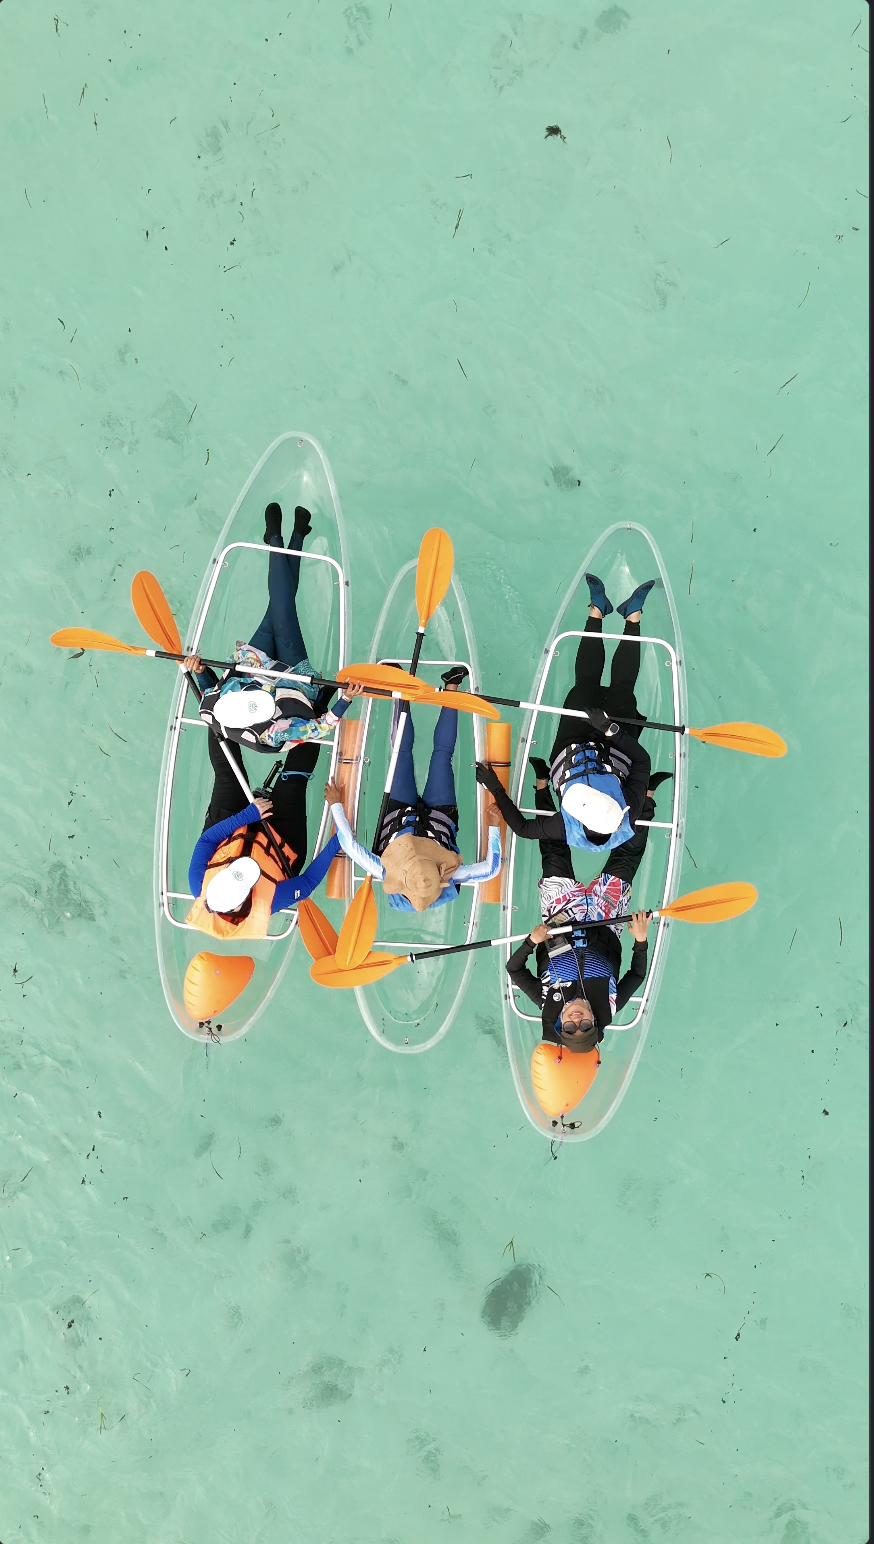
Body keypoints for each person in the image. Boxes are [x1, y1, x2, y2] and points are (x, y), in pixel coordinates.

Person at [181, 501, 361, 937]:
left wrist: (245, 815)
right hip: (281, 838)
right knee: (297, 774)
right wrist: (341, 827)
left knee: (222, 752)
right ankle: (284, 541)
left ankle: (286, 541)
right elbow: (312, 879)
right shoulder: (274, 899)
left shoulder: (197, 883)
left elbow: (208, 843)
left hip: (232, 820)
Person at [476, 571, 669, 854]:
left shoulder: (566, 826)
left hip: (571, 746)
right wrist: (610, 731)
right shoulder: (629, 807)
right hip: (615, 747)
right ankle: (633, 616)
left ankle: (597, 612)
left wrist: (495, 786)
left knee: (586, 685)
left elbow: (524, 829)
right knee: (622, 688)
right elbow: (642, 760)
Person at [504, 770, 664, 1049]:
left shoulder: (547, 1001)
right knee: (626, 856)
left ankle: (542, 785)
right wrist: (641, 939)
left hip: (561, 915)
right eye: (585, 1026)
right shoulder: (609, 1006)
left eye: (569, 1027)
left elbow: (514, 969)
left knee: (554, 850)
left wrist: (531, 942)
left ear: (560, 1024)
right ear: (595, 1022)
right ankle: (646, 795)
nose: (576, 1019)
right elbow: (636, 976)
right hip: (605, 919)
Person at [325, 667, 502, 912]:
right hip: (440, 816)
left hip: (399, 814)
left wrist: (335, 804)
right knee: (442, 757)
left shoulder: (385, 869)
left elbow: (349, 844)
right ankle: (451, 687)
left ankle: (401, 694)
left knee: (401, 755)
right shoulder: (452, 874)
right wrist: (494, 826)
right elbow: (491, 869)